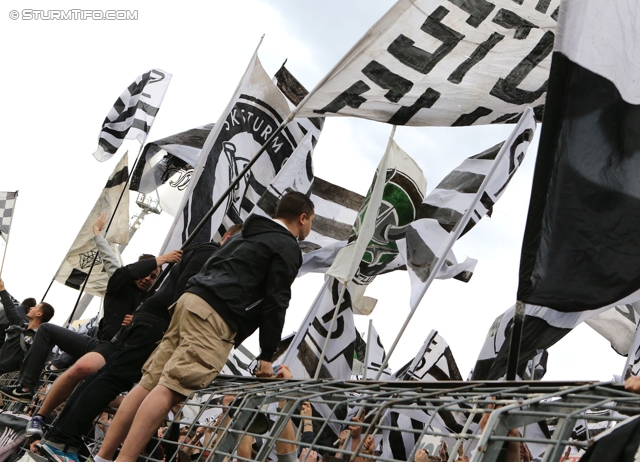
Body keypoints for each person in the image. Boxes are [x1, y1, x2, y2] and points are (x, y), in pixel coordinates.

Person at [106, 191, 314, 462]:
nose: (310, 227)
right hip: (216, 317)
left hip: (190, 303)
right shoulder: (287, 245)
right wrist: (266, 355)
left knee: (148, 383)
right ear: (301, 218)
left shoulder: (243, 233)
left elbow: (211, 263)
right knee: (171, 388)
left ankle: (103, 456)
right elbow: (277, 300)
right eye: (311, 220)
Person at [35, 224, 243, 458]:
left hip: (151, 324)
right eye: (240, 241)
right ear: (226, 236)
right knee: (111, 380)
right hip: (154, 326)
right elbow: (184, 294)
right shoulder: (209, 253)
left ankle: (62, 438)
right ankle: (62, 441)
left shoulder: (207, 254)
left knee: (106, 377)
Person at [0, 214, 182, 429]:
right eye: (145, 273)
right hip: (99, 345)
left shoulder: (152, 301)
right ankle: (27, 388)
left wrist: (139, 321)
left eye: (153, 277)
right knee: (49, 332)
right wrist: (97, 234)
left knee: (85, 373)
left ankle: (60, 426)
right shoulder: (120, 281)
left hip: (120, 354)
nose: (147, 278)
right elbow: (111, 260)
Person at [0, 279, 54, 373]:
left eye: (35, 307)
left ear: (38, 314)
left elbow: (48, 357)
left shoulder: (41, 340)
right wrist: (2, 289)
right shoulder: (20, 324)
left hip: (6, 379)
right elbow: (10, 308)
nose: (31, 308)